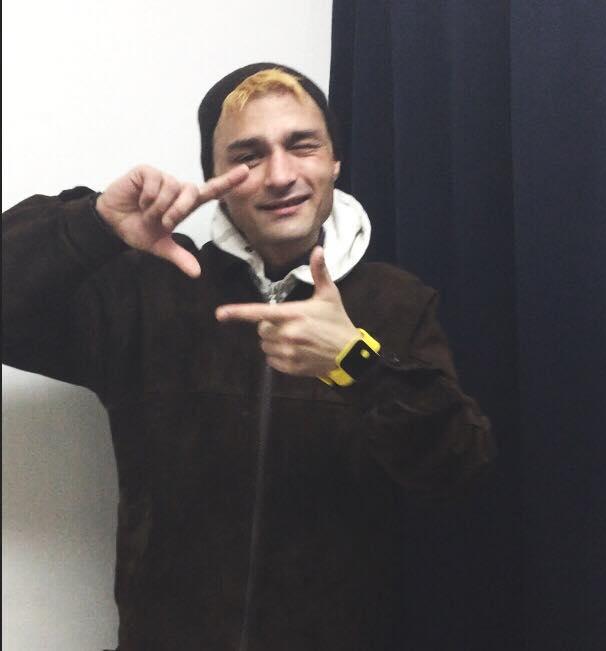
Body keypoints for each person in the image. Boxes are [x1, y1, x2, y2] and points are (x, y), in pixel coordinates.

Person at [2, 63, 495, 650]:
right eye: (249, 156)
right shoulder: (149, 291)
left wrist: (357, 362)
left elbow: (458, 471)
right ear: (215, 176)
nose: (281, 176)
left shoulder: (396, 303)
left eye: (302, 145)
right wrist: (94, 226)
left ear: (335, 160)